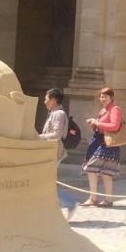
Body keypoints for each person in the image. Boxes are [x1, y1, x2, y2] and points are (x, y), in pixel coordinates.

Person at [39, 88, 78, 221]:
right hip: (50, 152)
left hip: (54, 152)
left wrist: (38, 137)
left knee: (47, 182)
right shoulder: (54, 113)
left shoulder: (58, 114)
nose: (44, 101)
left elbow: (56, 134)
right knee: (48, 182)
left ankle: (69, 202)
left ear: (54, 100)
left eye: (46, 98)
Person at [82, 87, 123, 207]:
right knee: (103, 173)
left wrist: (97, 123)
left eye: (105, 96)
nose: (102, 98)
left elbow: (114, 126)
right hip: (99, 141)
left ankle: (95, 198)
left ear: (111, 97)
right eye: (101, 96)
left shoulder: (115, 109)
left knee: (93, 169)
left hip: (108, 144)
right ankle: (104, 200)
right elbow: (101, 127)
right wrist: (94, 125)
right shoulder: (103, 110)